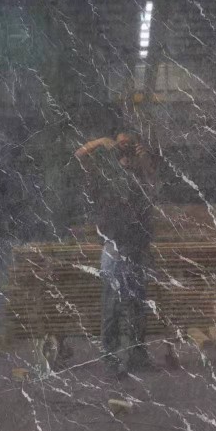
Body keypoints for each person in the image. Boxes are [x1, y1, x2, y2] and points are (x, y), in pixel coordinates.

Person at [75, 131, 156, 378]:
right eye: (121, 145)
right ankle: (111, 361)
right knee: (112, 307)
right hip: (115, 249)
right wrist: (100, 141)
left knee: (137, 306)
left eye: (130, 145)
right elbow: (80, 155)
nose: (125, 149)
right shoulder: (105, 176)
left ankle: (136, 357)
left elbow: (154, 190)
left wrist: (145, 161)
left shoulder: (140, 175)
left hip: (137, 249)